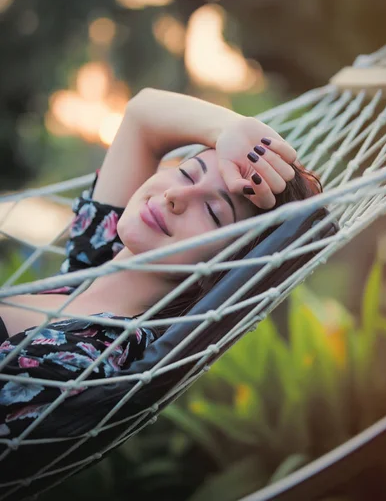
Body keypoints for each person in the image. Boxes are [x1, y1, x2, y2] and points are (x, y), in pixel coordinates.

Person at [0, 89, 321, 437]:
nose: (175, 196)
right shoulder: (92, 260)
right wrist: (230, 132)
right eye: (187, 173)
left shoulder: (100, 352)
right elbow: (142, 114)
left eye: (213, 211)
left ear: (222, 268)